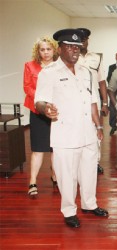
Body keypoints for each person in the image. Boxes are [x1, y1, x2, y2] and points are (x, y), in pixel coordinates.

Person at [34, 28, 109, 228]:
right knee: (67, 175)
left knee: (89, 172)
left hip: (88, 132)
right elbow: (39, 101)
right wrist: (45, 109)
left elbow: (93, 101)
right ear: (60, 49)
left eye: (77, 47)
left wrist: (99, 125)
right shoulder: (49, 73)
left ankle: (89, 204)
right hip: (65, 134)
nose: (75, 51)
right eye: (70, 47)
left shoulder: (87, 72)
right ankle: (69, 211)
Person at [23, 36, 58, 197]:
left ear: (54, 49)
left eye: (48, 49)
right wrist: (41, 100)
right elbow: (27, 87)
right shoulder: (30, 66)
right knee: (38, 149)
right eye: (42, 49)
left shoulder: (60, 66)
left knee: (55, 148)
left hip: (56, 112)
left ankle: (55, 175)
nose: (45, 52)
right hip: (38, 112)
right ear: (38, 51)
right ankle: (32, 181)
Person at [77, 28, 108, 175]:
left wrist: (105, 103)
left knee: (97, 129)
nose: (83, 41)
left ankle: (95, 162)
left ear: (88, 40)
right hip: (76, 98)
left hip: (94, 97)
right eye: (80, 38)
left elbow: (102, 81)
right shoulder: (72, 56)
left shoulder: (96, 57)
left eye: (85, 38)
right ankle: (79, 162)